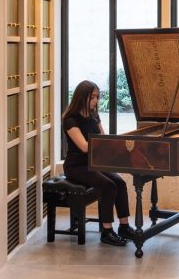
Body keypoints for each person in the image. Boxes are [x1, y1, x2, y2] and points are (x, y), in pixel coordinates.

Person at [62, 80, 133, 246]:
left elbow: (102, 137)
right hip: (76, 166)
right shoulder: (70, 120)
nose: (96, 100)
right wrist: (103, 143)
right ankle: (107, 231)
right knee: (109, 186)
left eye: (97, 97)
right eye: (92, 97)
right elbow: (84, 147)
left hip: (93, 163)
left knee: (120, 183)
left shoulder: (94, 115)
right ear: (82, 97)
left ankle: (124, 226)